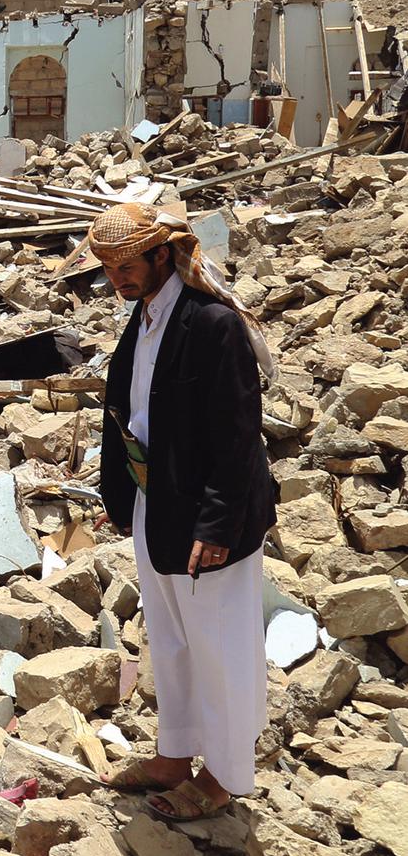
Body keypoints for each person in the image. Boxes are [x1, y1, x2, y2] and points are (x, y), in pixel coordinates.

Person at [92, 202, 276, 823]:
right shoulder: (142, 320)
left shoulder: (211, 324)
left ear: (161, 255)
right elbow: (125, 411)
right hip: (156, 506)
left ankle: (222, 775)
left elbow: (237, 436)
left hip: (205, 518)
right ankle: (174, 755)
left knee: (218, 646)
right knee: (170, 640)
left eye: (127, 265)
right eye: (109, 268)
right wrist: (118, 495)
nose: (118, 277)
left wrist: (218, 526)